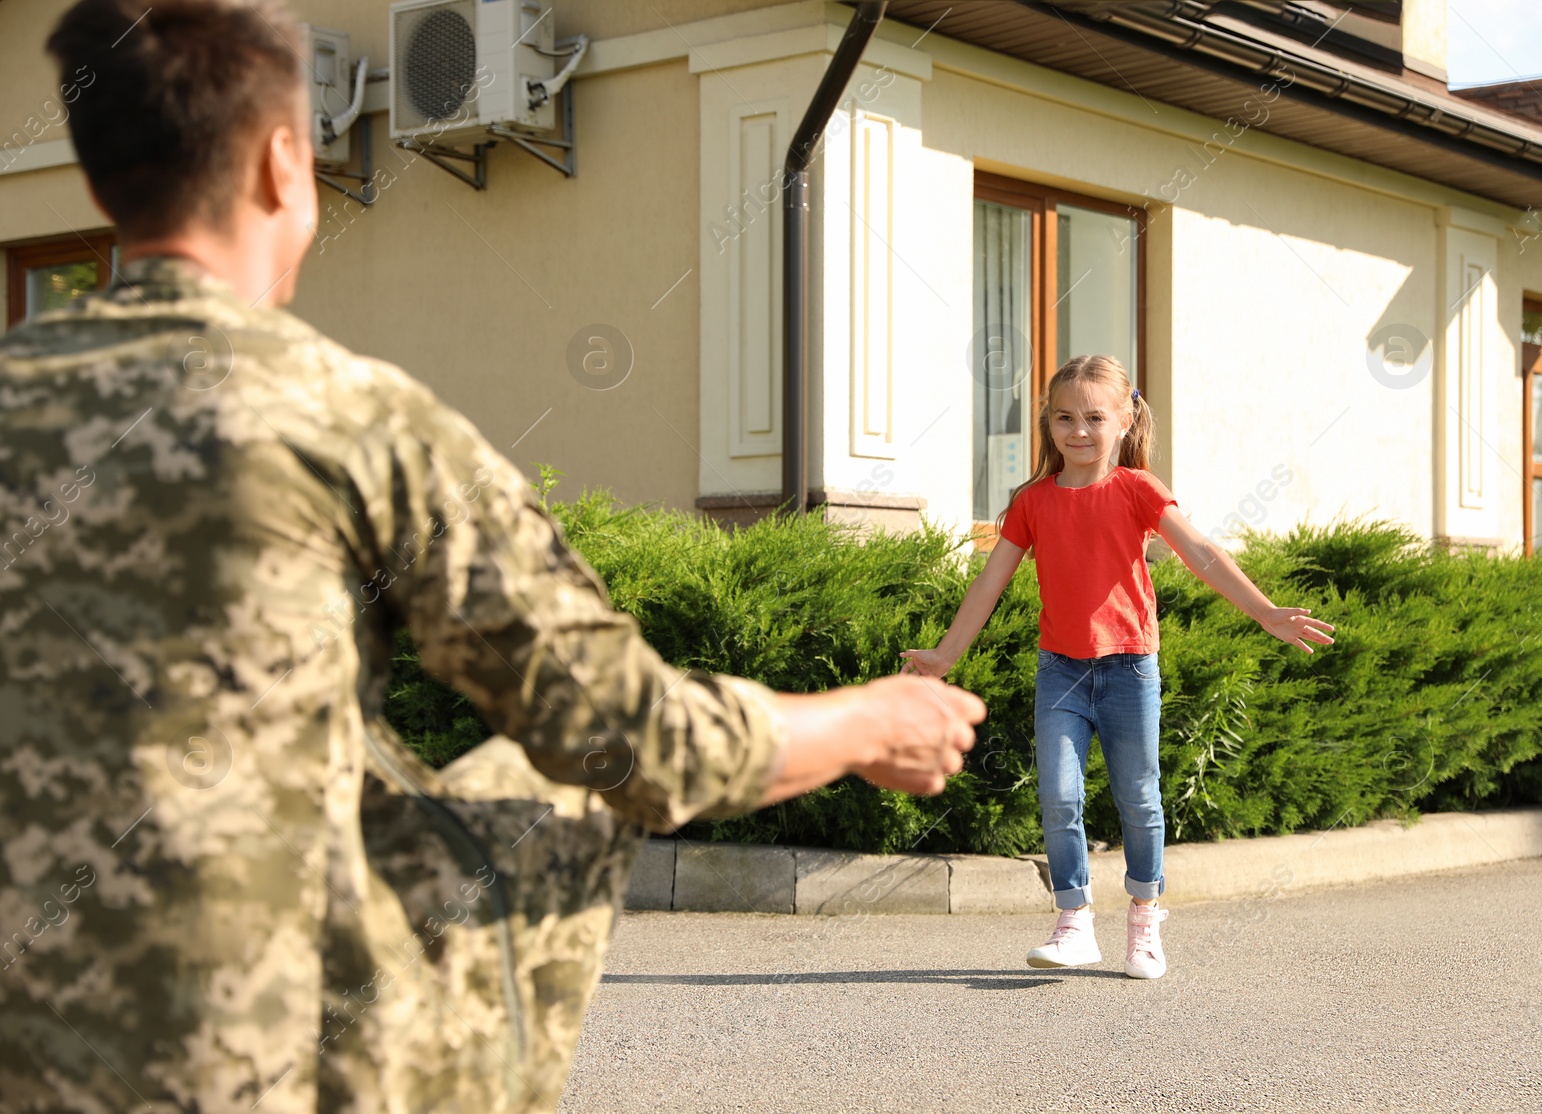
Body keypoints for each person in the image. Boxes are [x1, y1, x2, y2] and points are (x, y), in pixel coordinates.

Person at [0, 1, 985, 1110]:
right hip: (263, 1067)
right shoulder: (349, 418)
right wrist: (865, 720)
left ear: (97, 185)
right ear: (287, 162)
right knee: (557, 787)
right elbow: (630, 740)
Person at [901, 354, 1334, 980]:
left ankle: (1144, 920)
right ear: (1047, 423)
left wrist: (1265, 612)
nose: (1079, 430)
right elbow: (988, 585)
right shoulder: (1031, 502)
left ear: (1127, 418)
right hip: (1061, 672)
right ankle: (1074, 922)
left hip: (1130, 668)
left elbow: (1203, 555)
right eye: (1063, 417)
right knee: (1059, 795)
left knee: (1138, 797)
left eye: (1095, 417)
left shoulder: (1138, 490)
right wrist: (945, 656)